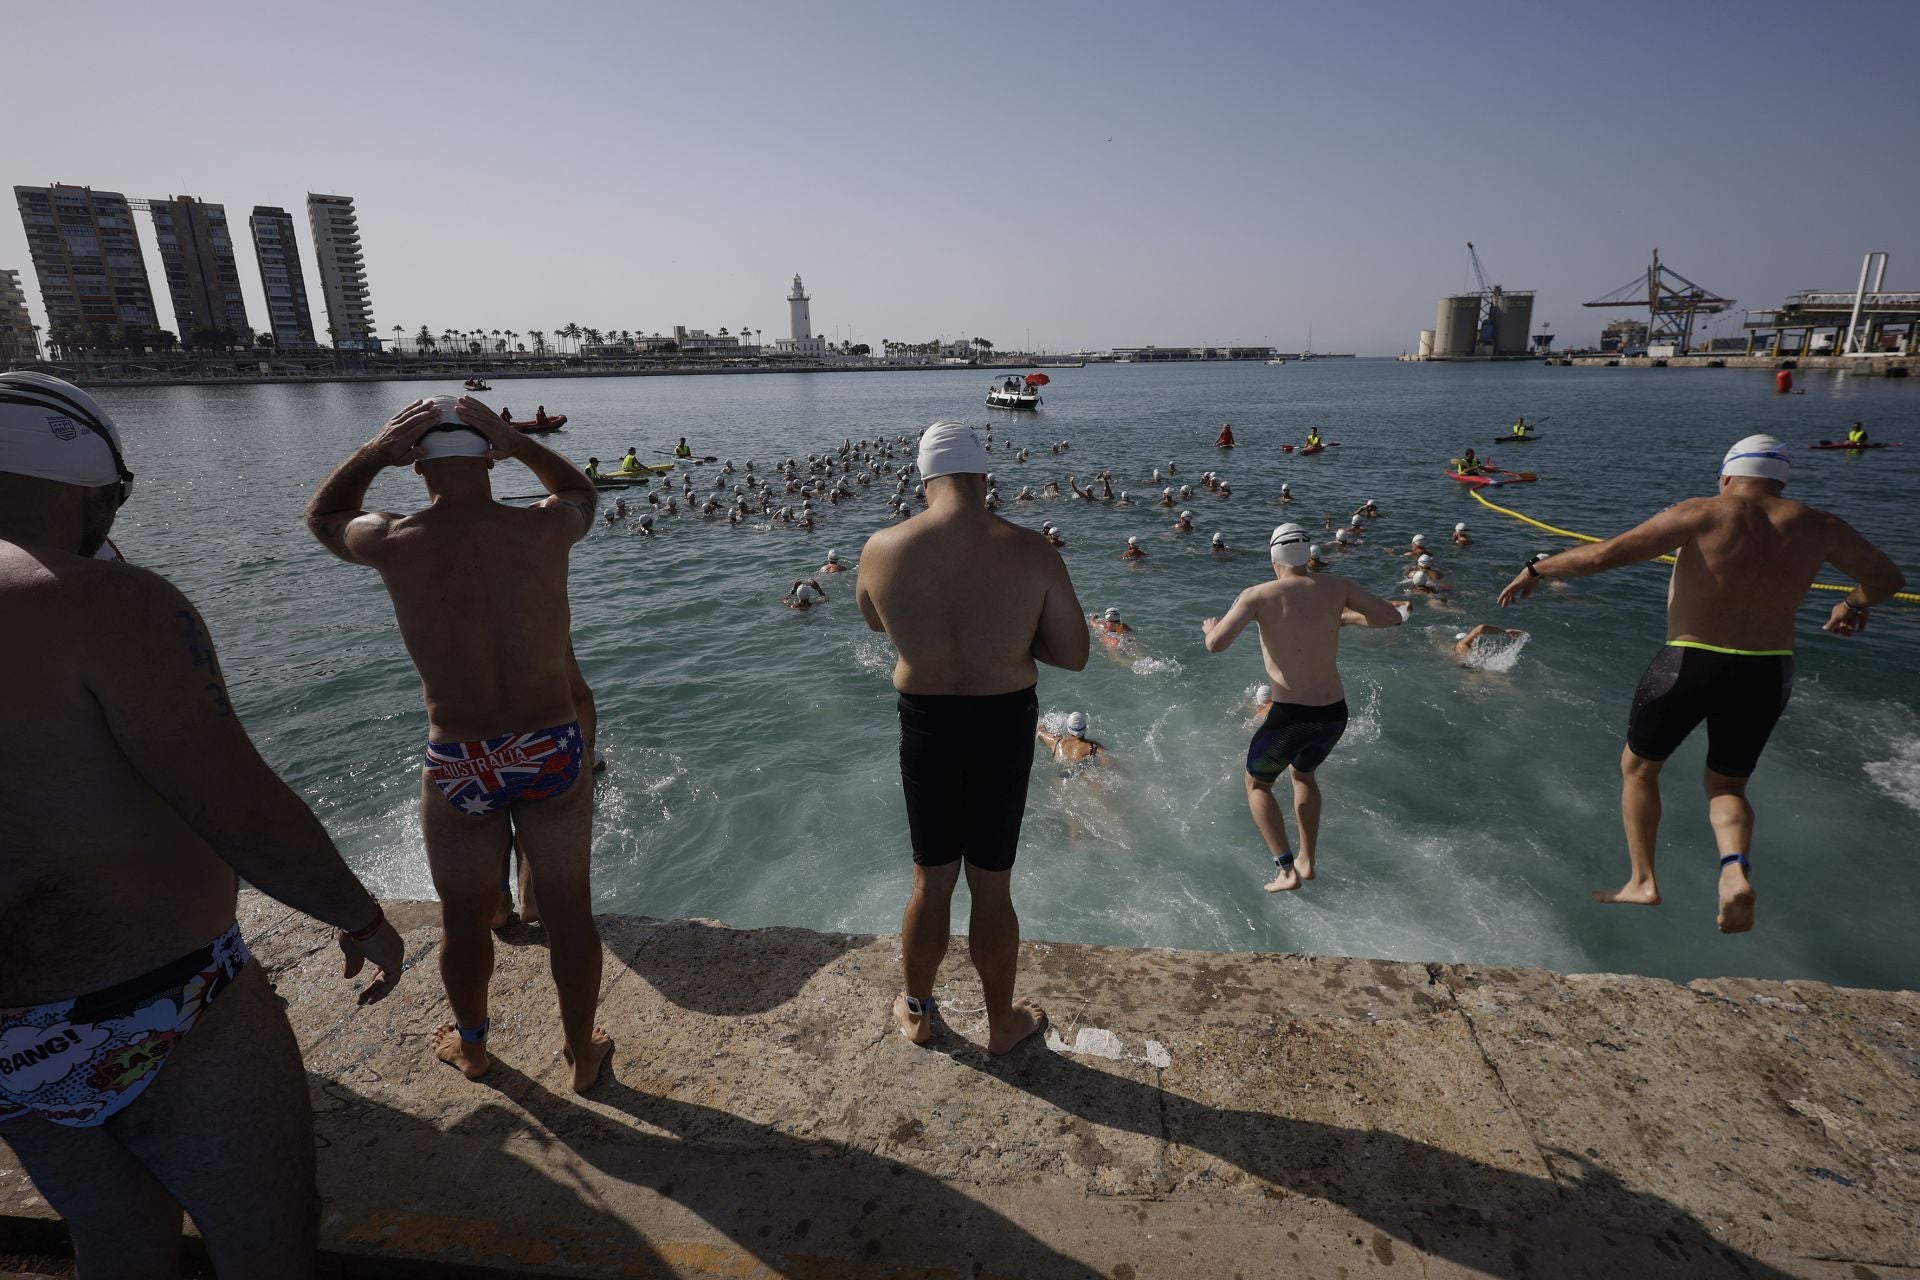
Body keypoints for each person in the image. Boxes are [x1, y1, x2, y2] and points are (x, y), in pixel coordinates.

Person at [0, 372, 405, 1270]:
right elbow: (241, 808)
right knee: (267, 1244)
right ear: (87, 482)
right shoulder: (102, 600)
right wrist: (360, 916)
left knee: (114, 1244)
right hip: (152, 1001)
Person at [305, 396, 613, 1091]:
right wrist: (519, 442)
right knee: (568, 912)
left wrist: (372, 452)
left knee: (464, 923)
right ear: (491, 460)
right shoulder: (544, 528)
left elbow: (322, 517)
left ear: (417, 470)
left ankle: (473, 1050)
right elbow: (579, 491)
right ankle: (581, 1054)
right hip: (550, 747)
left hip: (462, 759)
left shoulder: (392, 536)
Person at [1497, 434, 1905, 932]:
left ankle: (1642, 882)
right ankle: (1734, 871)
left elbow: (1606, 555)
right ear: (1779, 480)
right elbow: (1887, 577)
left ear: (1728, 475)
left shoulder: (1704, 511)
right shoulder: (1822, 525)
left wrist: (1536, 567)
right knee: (1728, 784)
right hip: (1767, 668)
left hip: (1690, 661)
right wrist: (1853, 603)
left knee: (1639, 769)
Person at [855, 421, 1088, 1055]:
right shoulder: (1031, 549)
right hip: (1003, 722)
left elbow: (875, 619)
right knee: (993, 883)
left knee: (931, 879)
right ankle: (1001, 1024)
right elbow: (1074, 654)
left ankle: (919, 1011)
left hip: (925, 722)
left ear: (925, 480)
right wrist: (1013, 637)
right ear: (984, 477)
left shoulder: (882, 547)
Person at [1200, 522, 1404, 892]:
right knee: (1303, 775)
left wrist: (1208, 629)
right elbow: (1390, 617)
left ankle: (1286, 869)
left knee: (1257, 785)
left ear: (1272, 554)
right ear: (1308, 554)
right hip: (1333, 714)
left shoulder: (1257, 595)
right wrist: (1347, 616)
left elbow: (1216, 645)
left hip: (1292, 716)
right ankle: (1308, 860)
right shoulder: (1338, 587)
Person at [1036, 711, 1104, 778]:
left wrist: (1043, 721)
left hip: (1059, 780)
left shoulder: (1056, 742)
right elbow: (1110, 763)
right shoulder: (1093, 747)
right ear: (1085, 727)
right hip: (1080, 779)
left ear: (1068, 728)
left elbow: (1040, 731)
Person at [1454, 624, 1527, 658]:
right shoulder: (1462, 643)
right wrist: (1505, 631)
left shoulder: (1455, 651)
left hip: (1467, 669)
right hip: (1476, 666)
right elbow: (1481, 628)